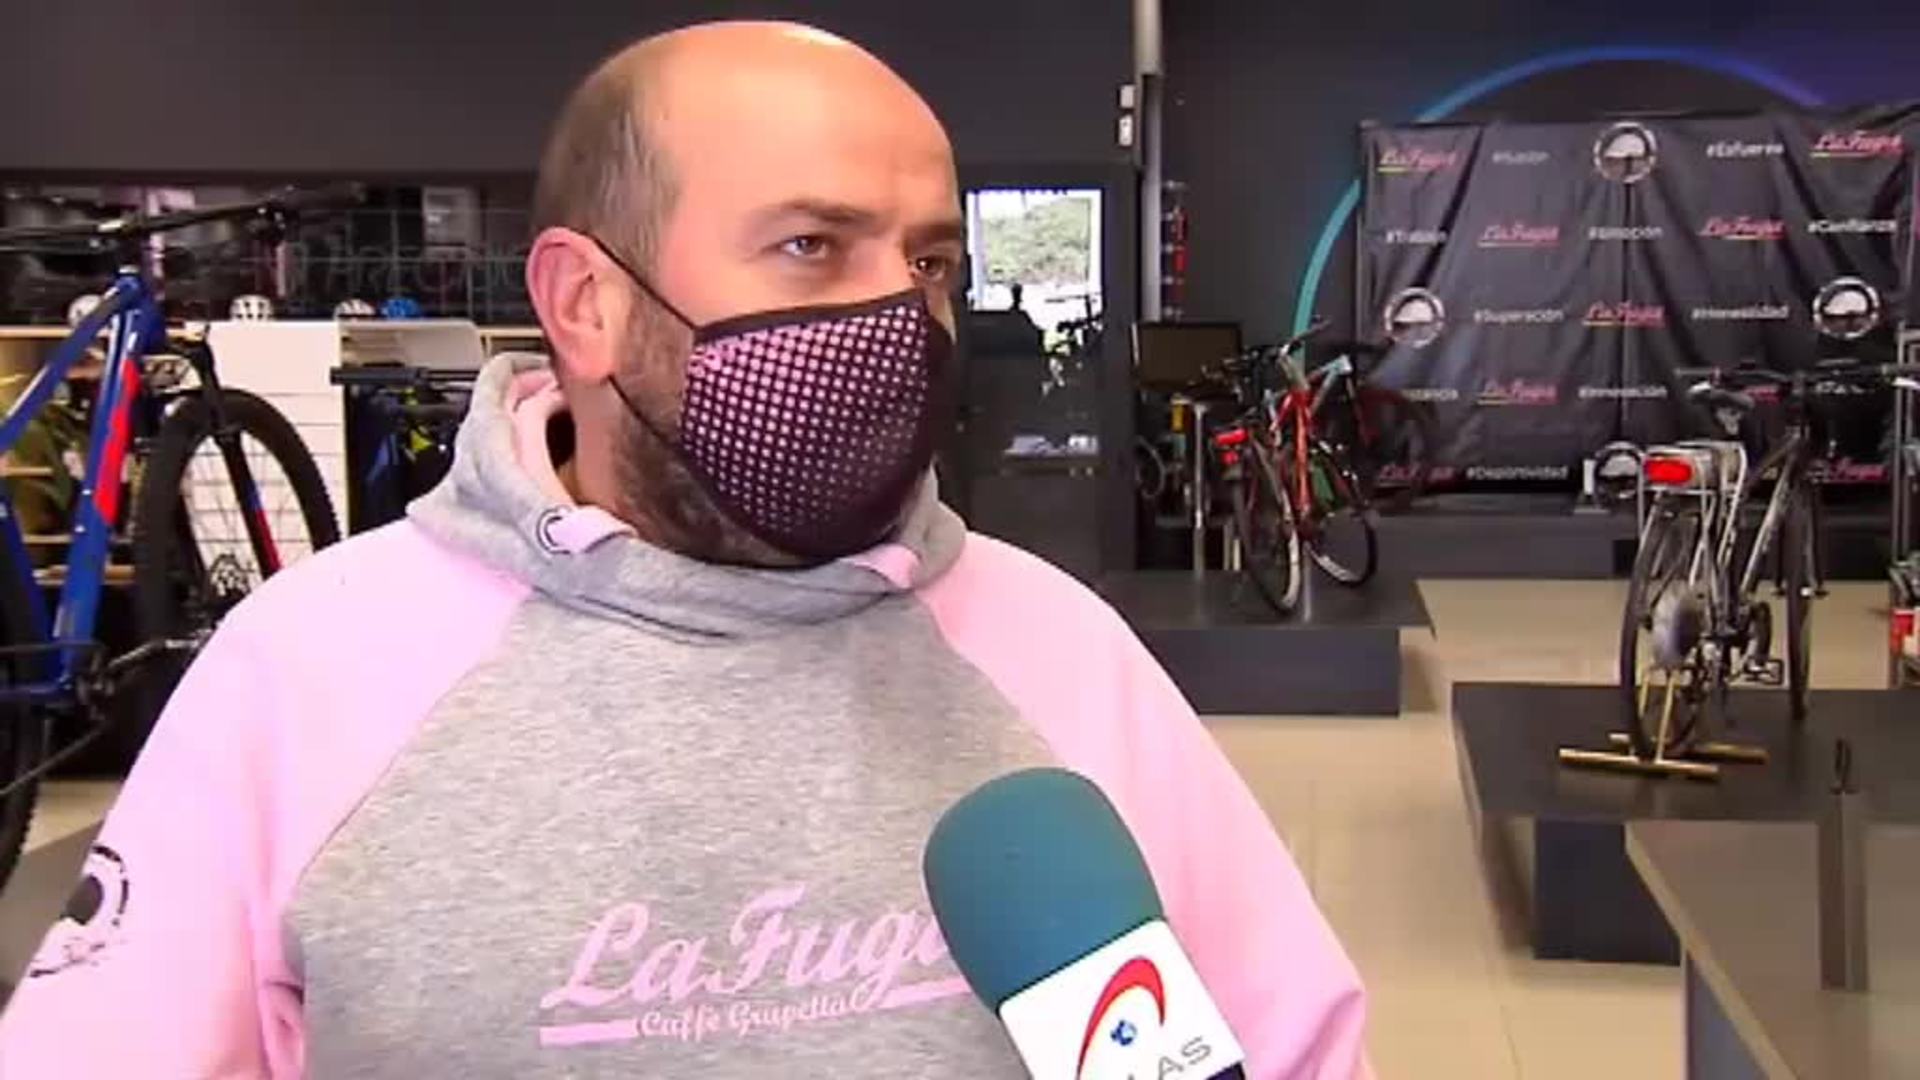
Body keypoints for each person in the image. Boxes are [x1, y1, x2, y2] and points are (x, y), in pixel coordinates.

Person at [0, 22, 1367, 1078]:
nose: (901, 315)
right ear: (585, 304)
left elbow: (1284, 1045)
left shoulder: (1058, 651)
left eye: (931, 263)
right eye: (812, 246)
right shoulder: (306, 675)